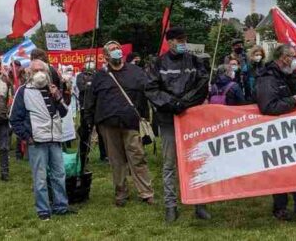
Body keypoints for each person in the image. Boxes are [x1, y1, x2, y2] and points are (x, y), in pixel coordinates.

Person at [146, 27, 211, 223]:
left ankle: (200, 204)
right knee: (169, 164)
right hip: (168, 120)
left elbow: (202, 84)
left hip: (191, 118)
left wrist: (185, 102)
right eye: (179, 39)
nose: (183, 43)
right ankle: (171, 206)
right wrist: (172, 104)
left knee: (196, 160)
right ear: (170, 41)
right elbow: (151, 88)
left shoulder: (194, 60)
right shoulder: (157, 63)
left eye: (185, 39)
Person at [86, 41, 154, 207]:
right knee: (116, 161)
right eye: (112, 49)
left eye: (118, 48)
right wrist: (89, 122)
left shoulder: (136, 72)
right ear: (106, 56)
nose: (116, 51)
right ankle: (121, 193)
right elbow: (90, 101)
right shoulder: (99, 76)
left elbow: (146, 95)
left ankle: (146, 192)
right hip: (108, 124)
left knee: (137, 157)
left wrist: (145, 119)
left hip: (131, 123)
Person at [255, 44, 296, 221]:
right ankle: (280, 208)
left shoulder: (287, 74)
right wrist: (293, 100)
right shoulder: (268, 78)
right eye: (292, 56)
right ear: (283, 58)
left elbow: (293, 85)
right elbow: (268, 106)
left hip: (293, 129)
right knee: (281, 170)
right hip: (276, 131)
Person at [10, 59, 75, 221]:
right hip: (37, 141)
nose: (39, 73)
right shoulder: (23, 91)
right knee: (40, 178)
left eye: (42, 70)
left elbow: (64, 112)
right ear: (29, 73)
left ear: (47, 72)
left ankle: (61, 206)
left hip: (55, 139)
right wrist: (27, 137)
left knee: (59, 174)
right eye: (36, 70)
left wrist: (58, 97)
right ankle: (43, 210)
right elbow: (14, 119)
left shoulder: (52, 89)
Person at [78, 56, 108, 163]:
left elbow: (101, 88)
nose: (90, 63)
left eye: (92, 61)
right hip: (85, 108)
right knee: (85, 133)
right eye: (88, 61)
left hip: (98, 108)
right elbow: (82, 88)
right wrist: (91, 85)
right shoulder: (80, 76)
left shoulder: (98, 75)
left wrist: (90, 85)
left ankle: (104, 155)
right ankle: (83, 156)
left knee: (102, 133)